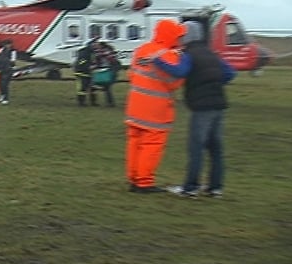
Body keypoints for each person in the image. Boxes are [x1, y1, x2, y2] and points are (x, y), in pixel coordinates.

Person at [154, 21, 237, 198]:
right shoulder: (211, 54)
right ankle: (215, 188)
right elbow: (230, 73)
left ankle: (190, 188)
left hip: (201, 107)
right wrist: (214, 83)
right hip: (219, 104)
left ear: (186, 36)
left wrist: (158, 61)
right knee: (215, 148)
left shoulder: (188, 54)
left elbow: (180, 71)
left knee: (196, 147)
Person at [125, 19, 187, 193]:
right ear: (172, 35)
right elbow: (174, 83)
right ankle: (144, 182)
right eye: (179, 36)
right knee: (151, 146)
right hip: (155, 110)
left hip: (135, 106)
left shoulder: (142, 50)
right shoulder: (169, 55)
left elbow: (132, 74)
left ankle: (133, 178)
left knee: (134, 143)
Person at [91, 40, 121, 107]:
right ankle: (109, 103)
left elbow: (110, 61)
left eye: (97, 45)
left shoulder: (103, 53)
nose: (96, 46)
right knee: (106, 88)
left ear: (101, 46)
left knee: (97, 86)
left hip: (107, 71)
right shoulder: (104, 52)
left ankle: (96, 102)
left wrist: (93, 67)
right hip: (106, 71)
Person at [73, 38, 98, 106]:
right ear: (90, 44)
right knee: (82, 88)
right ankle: (81, 103)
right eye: (95, 43)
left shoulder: (93, 52)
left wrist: (95, 65)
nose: (96, 45)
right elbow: (81, 62)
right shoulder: (84, 52)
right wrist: (89, 66)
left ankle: (93, 102)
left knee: (93, 88)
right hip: (81, 72)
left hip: (89, 72)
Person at [0, 39, 16, 105]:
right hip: (1, 69)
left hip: (8, 69)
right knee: (0, 84)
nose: (8, 46)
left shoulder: (13, 51)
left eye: (9, 44)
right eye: (7, 44)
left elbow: (13, 61)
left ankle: (6, 98)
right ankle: (2, 95)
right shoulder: (1, 50)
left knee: (5, 84)